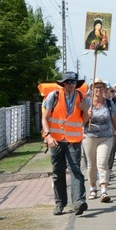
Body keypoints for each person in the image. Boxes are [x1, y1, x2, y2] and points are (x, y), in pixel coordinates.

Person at [41, 71, 90, 216]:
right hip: (56, 140)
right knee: (58, 172)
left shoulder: (82, 97)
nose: (71, 85)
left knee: (76, 170)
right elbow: (45, 118)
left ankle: (79, 202)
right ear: (63, 83)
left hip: (73, 140)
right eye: (68, 82)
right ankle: (60, 203)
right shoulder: (54, 96)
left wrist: (85, 110)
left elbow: (85, 120)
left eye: (73, 82)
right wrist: (48, 136)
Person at [83, 77, 116, 203]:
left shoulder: (109, 103)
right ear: (91, 89)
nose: (99, 89)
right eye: (96, 87)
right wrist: (87, 115)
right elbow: (80, 122)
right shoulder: (86, 102)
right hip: (89, 136)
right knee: (91, 165)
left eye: (101, 87)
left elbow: (115, 122)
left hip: (106, 137)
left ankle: (104, 190)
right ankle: (93, 187)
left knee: (102, 163)